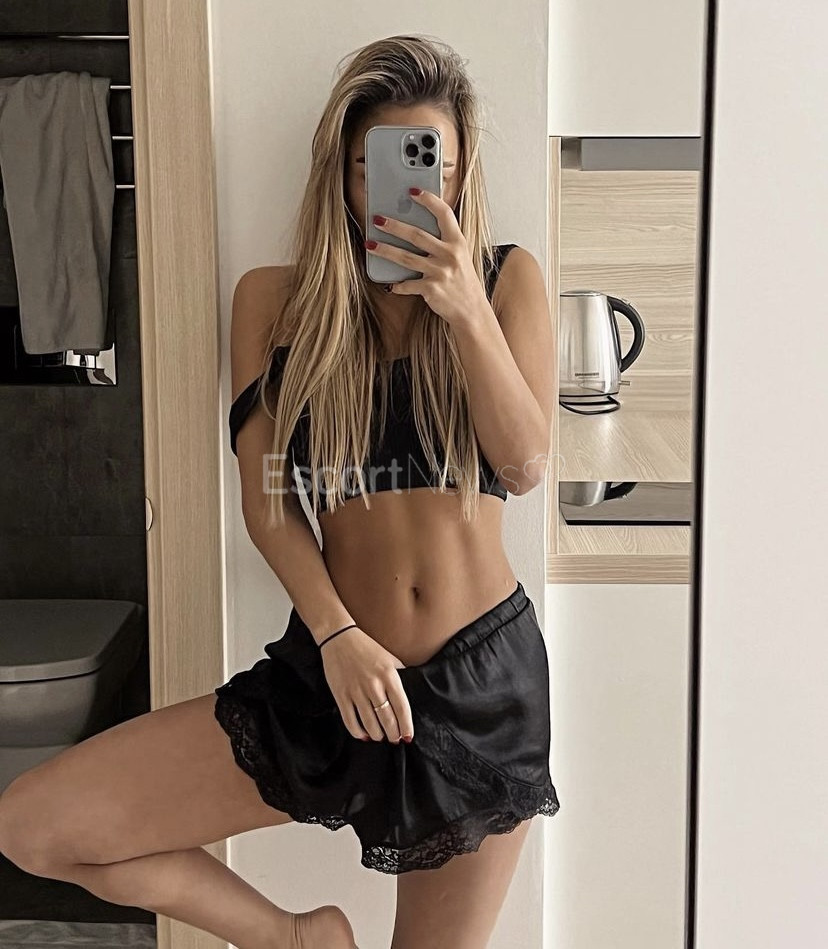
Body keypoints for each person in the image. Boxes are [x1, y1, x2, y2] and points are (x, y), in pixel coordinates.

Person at [0, 34, 559, 949]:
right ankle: (293, 939)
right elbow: (269, 499)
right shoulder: (273, 302)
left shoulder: (506, 280)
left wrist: (463, 309)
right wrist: (336, 635)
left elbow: (526, 466)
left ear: (460, 175)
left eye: (436, 168)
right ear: (341, 174)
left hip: (480, 689)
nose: (408, 192)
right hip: (333, 670)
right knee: (33, 822)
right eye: (375, 167)